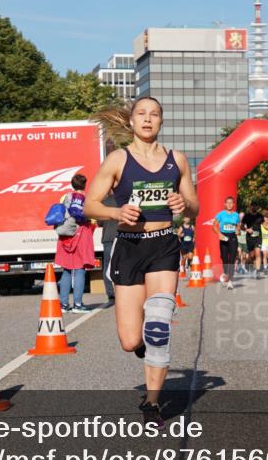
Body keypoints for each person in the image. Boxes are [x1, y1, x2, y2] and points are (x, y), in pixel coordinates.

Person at [85, 97, 198, 428]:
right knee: (131, 340)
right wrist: (115, 212)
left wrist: (183, 203)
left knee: (160, 323)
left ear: (161, 122)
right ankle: (145, 347)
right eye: (142, 114)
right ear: (131, 122)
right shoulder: (117, 160)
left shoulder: (176, 160)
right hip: (129, 247)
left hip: (163, 244)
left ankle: (152, 404)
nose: (148, 119)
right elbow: (90, 205)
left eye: (154, 114)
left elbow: (195, 207)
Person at [56, 174, 95, 314]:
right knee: (80, 269)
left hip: (65, 236)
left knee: (66, 270)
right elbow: (91, 216)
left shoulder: (64, 197)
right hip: (81, 234)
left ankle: (64, 304)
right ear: (85, 185)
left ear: (72, 184)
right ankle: (78, 304)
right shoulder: (87, 199)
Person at [213, 196, 241, 290]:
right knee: (225, 259)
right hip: (223, 237)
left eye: (231, 203)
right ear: (224, 204)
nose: (229, 204)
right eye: (227, 202)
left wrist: (238, 231)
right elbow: (214, 226)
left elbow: (238, 227)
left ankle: (230, 281)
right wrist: (219, 234)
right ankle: (225, 272)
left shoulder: (236, 215)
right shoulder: (220, 214)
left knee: (232, 259)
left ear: (233, 204)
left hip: (233, 237)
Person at [101, 193, 118, 301]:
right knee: (122, 264)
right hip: (122, 236)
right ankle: (122, 290)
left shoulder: (104, 203)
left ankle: (110, 293)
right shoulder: (123, 200)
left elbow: (99, 222)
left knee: (107, 266)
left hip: (107, 237)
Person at [242, 203, 264, 278]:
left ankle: (257, 271)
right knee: (252, 256)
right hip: (249, 238)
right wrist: (247, 229)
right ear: (250, 207)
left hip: (258, 237)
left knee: (258, 253)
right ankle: (249, 264)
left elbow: (265, 224)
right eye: (253, 206)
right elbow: (241, 226)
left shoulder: (260, 216)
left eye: (256, 206)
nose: (254, 208)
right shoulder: (246, 216)